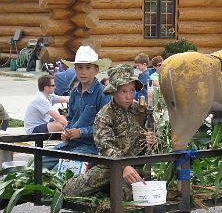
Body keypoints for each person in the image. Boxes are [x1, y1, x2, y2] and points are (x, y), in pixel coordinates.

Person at [62, 64, 155, 200]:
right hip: (110, 166)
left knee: (128, 195)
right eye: (123, 92)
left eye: (132, 90)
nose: (129, 96)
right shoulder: (105, 115)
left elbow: (152, 135)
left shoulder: (141, 110)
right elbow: (106, 147)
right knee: (69, 191)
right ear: (113, 92)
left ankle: (111, 189)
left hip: (136, 165)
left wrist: (151, 138)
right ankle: (105, 187)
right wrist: (123, 166)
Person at [43, 46, 112, 170]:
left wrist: (81, 132)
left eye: (88, 67)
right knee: (38, 164)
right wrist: (66, 131)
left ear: (96, 70)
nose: (83, 72)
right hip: (71, 144)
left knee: (57, 171)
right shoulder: (74, 92)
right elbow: (71, 119)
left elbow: (106, 127)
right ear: (75, 69)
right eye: (79, 67)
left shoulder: (102, 93)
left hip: (92, 147)